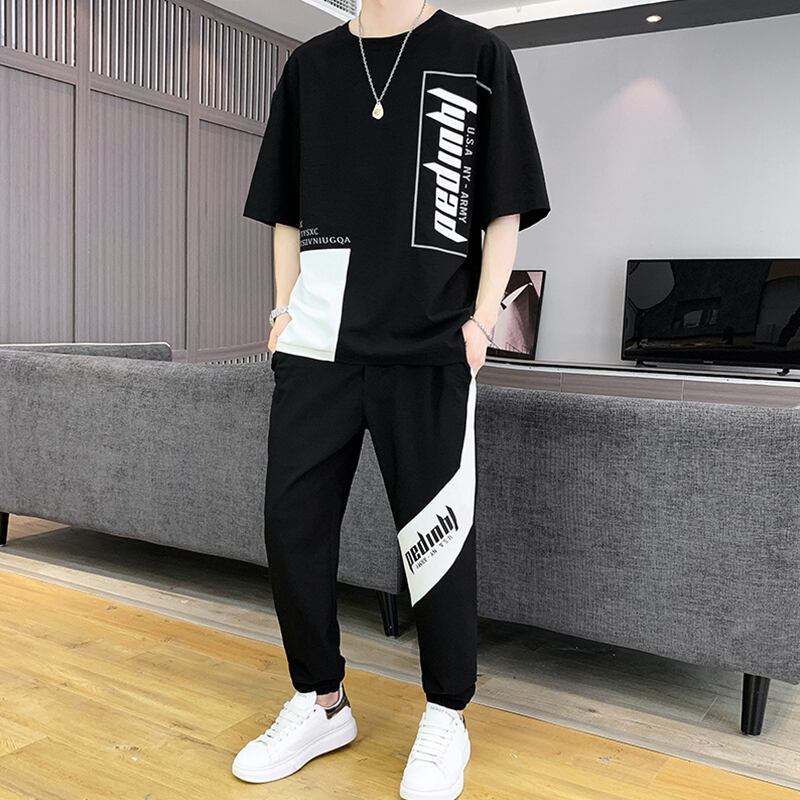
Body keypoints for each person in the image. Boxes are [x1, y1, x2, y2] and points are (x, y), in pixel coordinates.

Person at [232, 1, 550, 798]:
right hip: (319, 341)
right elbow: (284, 209)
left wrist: (482, 324)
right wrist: (280, 312)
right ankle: (320, 700)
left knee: (436, 538)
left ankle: (447, 714)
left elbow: (502, 208)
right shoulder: (310, 66)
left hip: (431, 342)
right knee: (292, 526)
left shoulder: (476, 55)